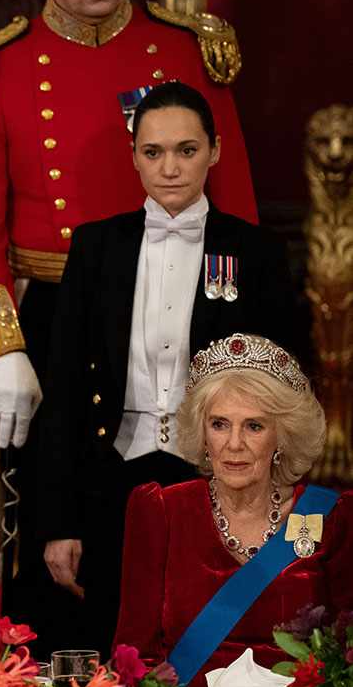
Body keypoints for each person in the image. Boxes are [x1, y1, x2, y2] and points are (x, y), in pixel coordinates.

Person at [0, 0, 256, 639]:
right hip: (56, 317)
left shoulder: (183, 49)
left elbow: (236, 220)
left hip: (185, 310)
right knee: (59, 528)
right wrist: (5, 349)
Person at [35, 83, 311, 655]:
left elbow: (285, 386)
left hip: (217, 476)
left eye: (186, 150)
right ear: (133, 154)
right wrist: (58, 521)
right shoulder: (96, 246)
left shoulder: (256, 251)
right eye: (153, 152)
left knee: (208, 644)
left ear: (215, 151)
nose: (169, 168)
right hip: (110, 470)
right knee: (114, 643)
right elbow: (63, 389)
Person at [115, 334, 348, 687]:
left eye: (254, 426)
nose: (234, 444)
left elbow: (346, 657)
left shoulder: (329, 518)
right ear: (203, 432)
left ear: (281, 437)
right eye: (219, 424)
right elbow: (132, 657)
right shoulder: (161, 510)